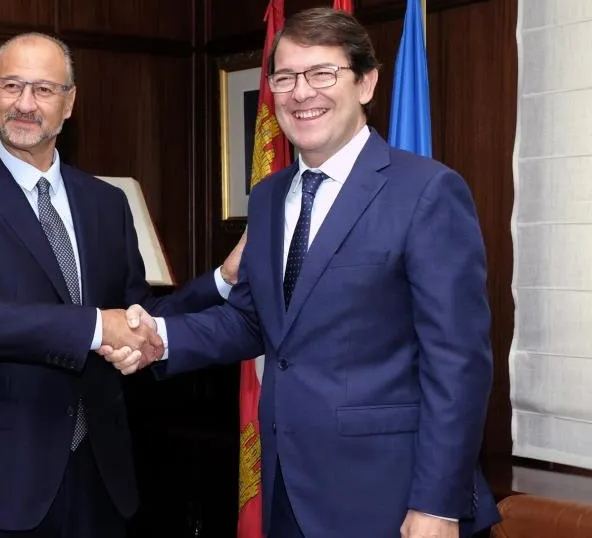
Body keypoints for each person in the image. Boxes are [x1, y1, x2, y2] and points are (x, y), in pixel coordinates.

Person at [100, 7, 501, 538]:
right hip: (287, 487)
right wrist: (161, 337)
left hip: (392, 497)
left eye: (322, 74)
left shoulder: (426, 191)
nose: (301, 92)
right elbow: (254, 321)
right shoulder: (268, 197)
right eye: (285, 77)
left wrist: (438, 505)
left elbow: (458, 364)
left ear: (367, 83)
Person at [0, 32, 243, 538]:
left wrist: (222, 279)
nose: (24, 103)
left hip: (98, 475)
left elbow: (136, 312)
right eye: (11, 86)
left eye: (43, 89)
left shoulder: (106, 202)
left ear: (70, 102)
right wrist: (95, 328)